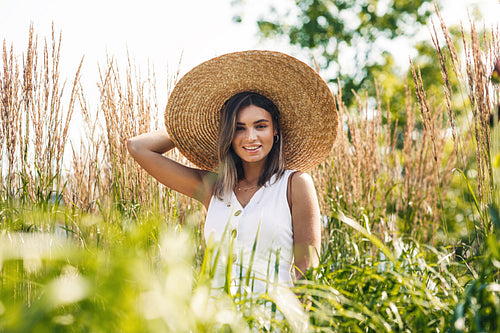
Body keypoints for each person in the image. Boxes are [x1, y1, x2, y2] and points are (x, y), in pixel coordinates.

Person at [127, 50, 337, 296]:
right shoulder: (213, 187)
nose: (250, 137)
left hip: (274, 321)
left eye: (260, 126)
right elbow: (138, 147)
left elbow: (308, 273)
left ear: (275, 129)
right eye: (239, 128)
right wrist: (187, 126)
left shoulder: (295, 184)